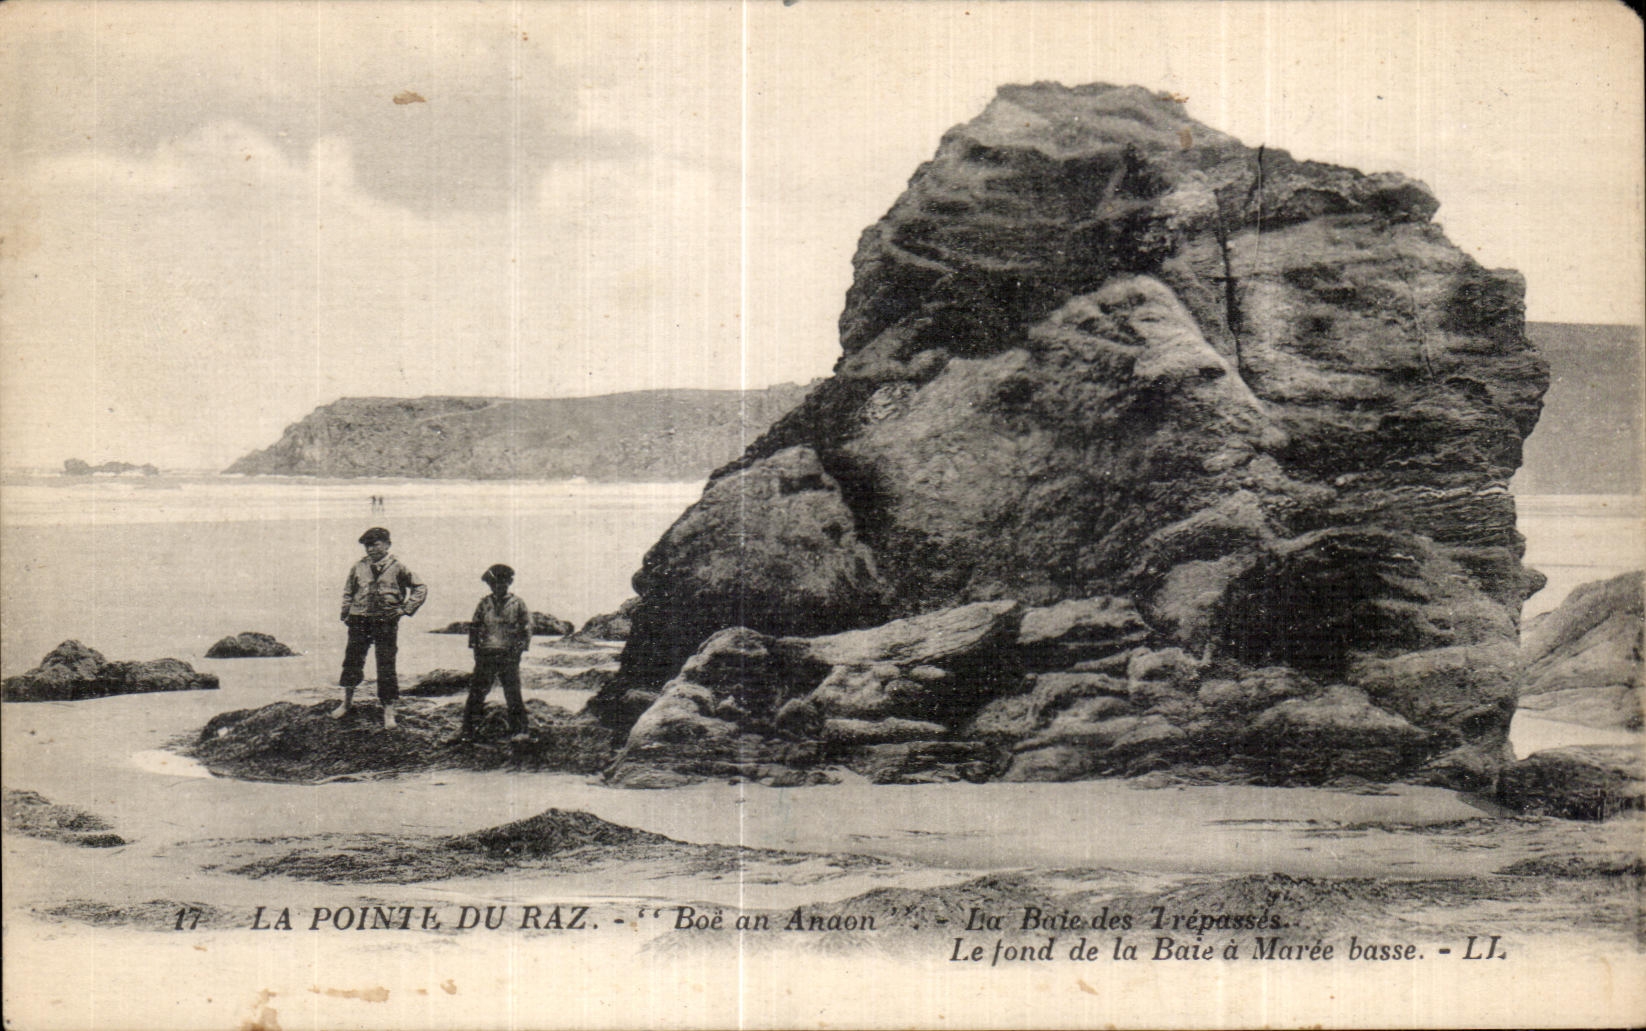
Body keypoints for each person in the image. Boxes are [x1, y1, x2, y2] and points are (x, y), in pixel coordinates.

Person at [334, 527, 427, 729]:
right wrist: (346, 613)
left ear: (387, 545)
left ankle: (388, 711)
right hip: (359, 620)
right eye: (367, 545)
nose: (371, 549)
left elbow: (420, 588)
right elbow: (349, 591)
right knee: (352, 660)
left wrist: (404, 609)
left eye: (375, 544)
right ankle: (347, 702)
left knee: (386, 664)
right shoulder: (358, 567)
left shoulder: (398, 567)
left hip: (386, 621)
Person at [452, 563, 532, 743]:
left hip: (508, 655)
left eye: (502, 583)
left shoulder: (518, 604)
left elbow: (526, 630)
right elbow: (475, 627)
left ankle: (520, 731)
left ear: (509, 583)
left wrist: (518, 651)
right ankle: (468, 730)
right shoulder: (484, 604)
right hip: (486, 655)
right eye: (494, 584)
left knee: (513, 693)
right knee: (476, 693)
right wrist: (476, 651)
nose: (498, 587)